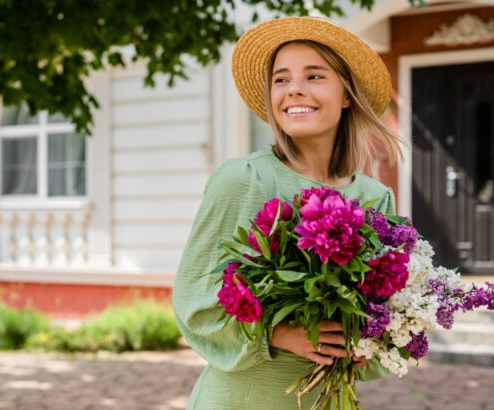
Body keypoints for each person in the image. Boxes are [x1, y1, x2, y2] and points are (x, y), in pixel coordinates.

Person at [172, 16, 403, 409]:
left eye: (314, 76)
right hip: (244, 399)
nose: (294, 90)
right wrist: (278, 333)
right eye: (281, 80)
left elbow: (387, 310)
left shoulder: (375, 198)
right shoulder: (244, 179)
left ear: (347, 94)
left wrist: (371, 340)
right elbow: (194, 298)